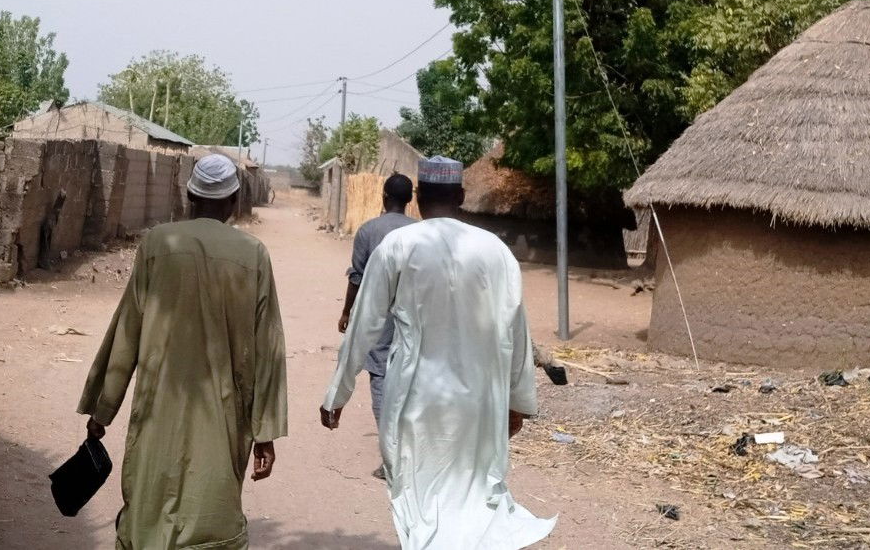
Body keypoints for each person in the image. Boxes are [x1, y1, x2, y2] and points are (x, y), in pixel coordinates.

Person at [321, 156, 555, 549]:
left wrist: (337, 394)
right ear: (462, 196)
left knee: (418, 498)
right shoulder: (495, 250)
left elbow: (364, 324)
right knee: (474, 497)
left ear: (419, 197)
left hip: (416, 397)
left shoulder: (398, 245)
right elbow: (517, 332)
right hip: (480, 400)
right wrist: (517, 403)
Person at [77, 154, 288, 549]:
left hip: (159, 409)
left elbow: (127, 331)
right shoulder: (253, 255)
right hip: (224, 414)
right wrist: (265, 433)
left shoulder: (158, 244)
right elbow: (268, 347)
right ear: (234, 200)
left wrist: (102, 410)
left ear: (190, 195)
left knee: (147, 513)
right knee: (212, 511)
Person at [337, 173, 416, 477]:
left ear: (383, 197)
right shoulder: (422, 232)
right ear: (411, 200)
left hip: (380, 316)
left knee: (381, 378)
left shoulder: (369, 230)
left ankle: (392, 460)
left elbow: (356, 278)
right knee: (411, 380)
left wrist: (346, 312)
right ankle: (410, 455)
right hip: (413, 315)